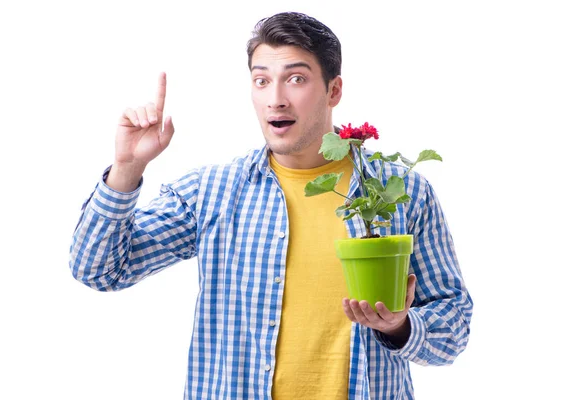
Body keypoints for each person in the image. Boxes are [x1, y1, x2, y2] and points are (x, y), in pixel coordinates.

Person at [70, 11, 473, 400]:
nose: (275, 99)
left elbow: (453, 328)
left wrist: (401, 326)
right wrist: (126, 168)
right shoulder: (212, 192)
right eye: (261, 81)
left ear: (334, 90)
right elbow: (100, 270)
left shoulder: (401, 193)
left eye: (296, 79)